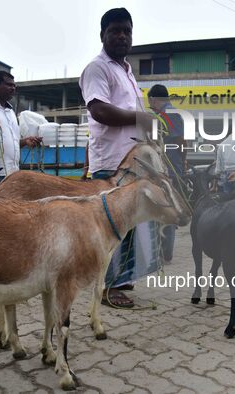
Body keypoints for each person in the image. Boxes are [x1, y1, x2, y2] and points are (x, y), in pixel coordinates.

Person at [79, 8, 154, 308]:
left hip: (132, 162)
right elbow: (99, 110)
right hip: (110, 163)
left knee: (129, 223)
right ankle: (107, 286)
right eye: (115, 31)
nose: (122, 36)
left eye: (127, 31)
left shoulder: (128, 72)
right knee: (109, 226)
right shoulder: (97, 68)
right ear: (103, 35)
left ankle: (121, 278)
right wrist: (140, 117)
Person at [148, 84, 185, 265]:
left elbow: (180, 141)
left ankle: (165, 254)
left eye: (150, 101)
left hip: (169, 171)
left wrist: (180, 164)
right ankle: (159, 252)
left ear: (154, 99)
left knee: (167, 209)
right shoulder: (163, 115)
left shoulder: (168, 115)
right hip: (164, 169)